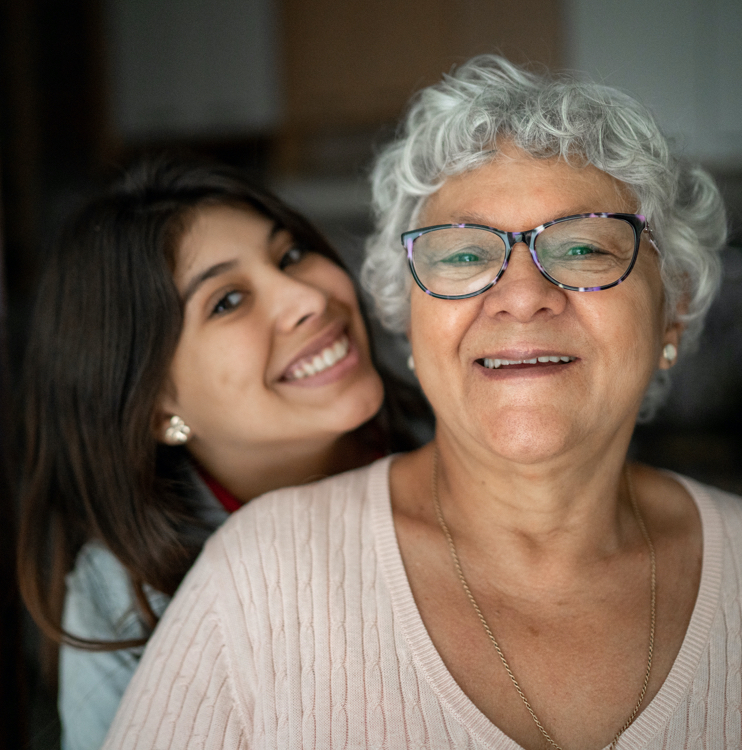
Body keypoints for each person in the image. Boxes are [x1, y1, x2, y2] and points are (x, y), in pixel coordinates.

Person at [102, 57, 737, 750]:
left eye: (584, 246)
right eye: (462, 256)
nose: (521, 296)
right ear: (408, 319)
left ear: (673, 308)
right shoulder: (257, 580)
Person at [17, 156, 427, 750]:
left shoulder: (455, 438)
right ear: (157, 407)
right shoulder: (123, 599)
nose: (306, 297)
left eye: (289, 256)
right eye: (228, 301)